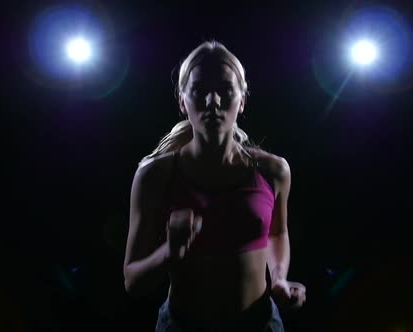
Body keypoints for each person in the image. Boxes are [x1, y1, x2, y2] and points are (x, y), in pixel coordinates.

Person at [123, 40, 306, 331]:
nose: (213, 101)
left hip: (259, 324)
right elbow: (132, 281)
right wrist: (169, 252)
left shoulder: (273, 170)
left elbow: (277, 232)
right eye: (199, 91)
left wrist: (280, 278)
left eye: (225, 90)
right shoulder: (154, 175)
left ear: (242, 100)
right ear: (182, 101)